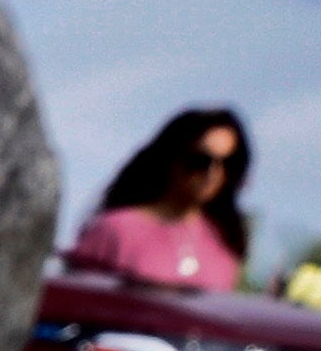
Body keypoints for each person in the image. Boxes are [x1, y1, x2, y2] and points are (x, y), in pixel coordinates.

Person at [66, 109, 251, 293]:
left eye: (229, 164)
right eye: (201, 161)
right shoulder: (114, 230)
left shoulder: (224, 244)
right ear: (173, 156)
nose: (213, 174)